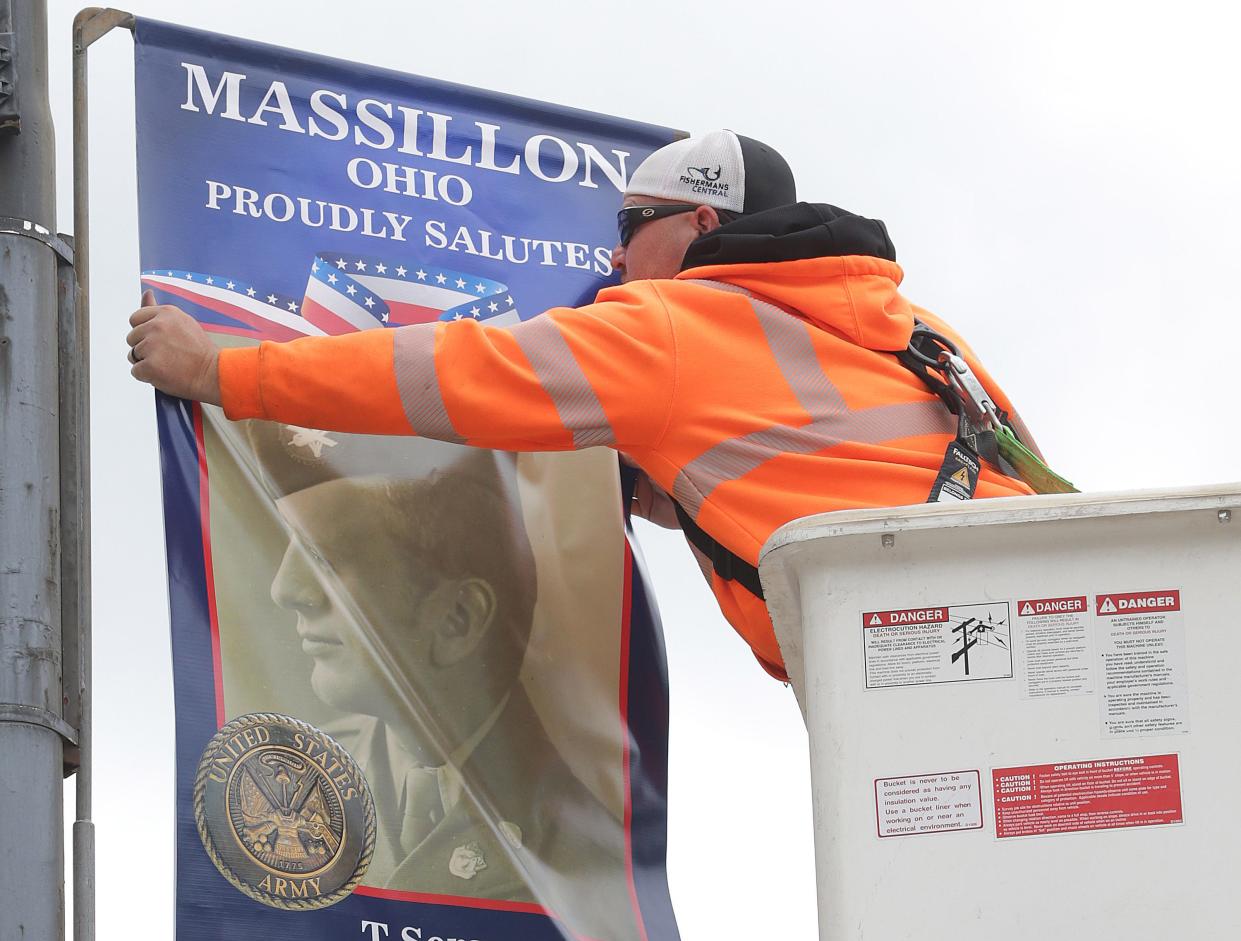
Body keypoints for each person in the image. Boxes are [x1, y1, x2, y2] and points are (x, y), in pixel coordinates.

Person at [128, 129, 1043, 681]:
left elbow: (446, 372)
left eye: (628, 227)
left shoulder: (669, 327)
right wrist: (680, 498)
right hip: (1055, 614)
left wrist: (223, 371)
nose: (611, 260)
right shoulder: (921, 329)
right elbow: (990, 475)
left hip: (922, 661)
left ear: (702, 226)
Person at [229, 422, 635, 934]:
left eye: (324, 558)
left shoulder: (582, 852)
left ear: (456, 619)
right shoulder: (290, 779)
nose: (284, 590)